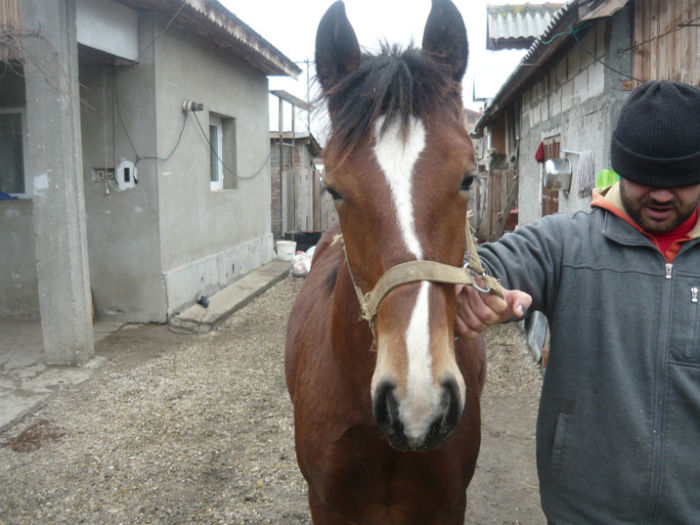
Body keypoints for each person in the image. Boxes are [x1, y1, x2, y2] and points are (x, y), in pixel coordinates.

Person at [455, 80, 700, 524]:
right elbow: (484, 263)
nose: (662, 194)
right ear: (620, 167)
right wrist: (472, 286)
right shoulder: (567, 244)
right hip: (585, 513)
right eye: (645, 177)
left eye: (681, 180)